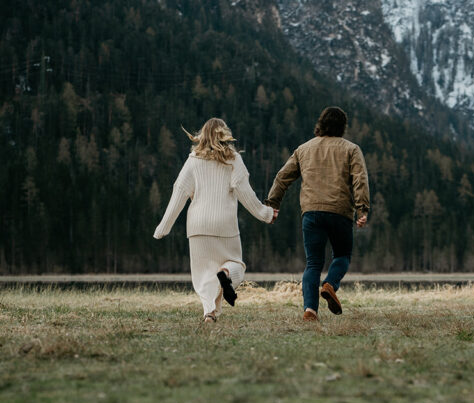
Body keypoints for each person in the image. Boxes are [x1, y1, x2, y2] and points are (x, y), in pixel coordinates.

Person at [153, 118, 277, 323]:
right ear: (224, 135)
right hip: (224, 224)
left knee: (204, 276)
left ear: (202, 136)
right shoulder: (233, 159)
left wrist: (163, 227)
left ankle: (209, 313)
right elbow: (245, 193)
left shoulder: (193, 160)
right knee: (236, 264)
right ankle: (226, 273)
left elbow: (179, 193)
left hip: (198, 226)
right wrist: (265, 213)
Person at [266, 106, 369, 321]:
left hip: (311, 213)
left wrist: (272, 203)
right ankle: (330, 284)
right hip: (340, 212)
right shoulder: (351, 149)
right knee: (342, 255)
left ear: (320, 124)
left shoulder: (304, 149)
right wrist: (362, 208)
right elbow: (360, 179)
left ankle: (310, 310)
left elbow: (282, 177)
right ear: (343, 127)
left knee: (313, 263)